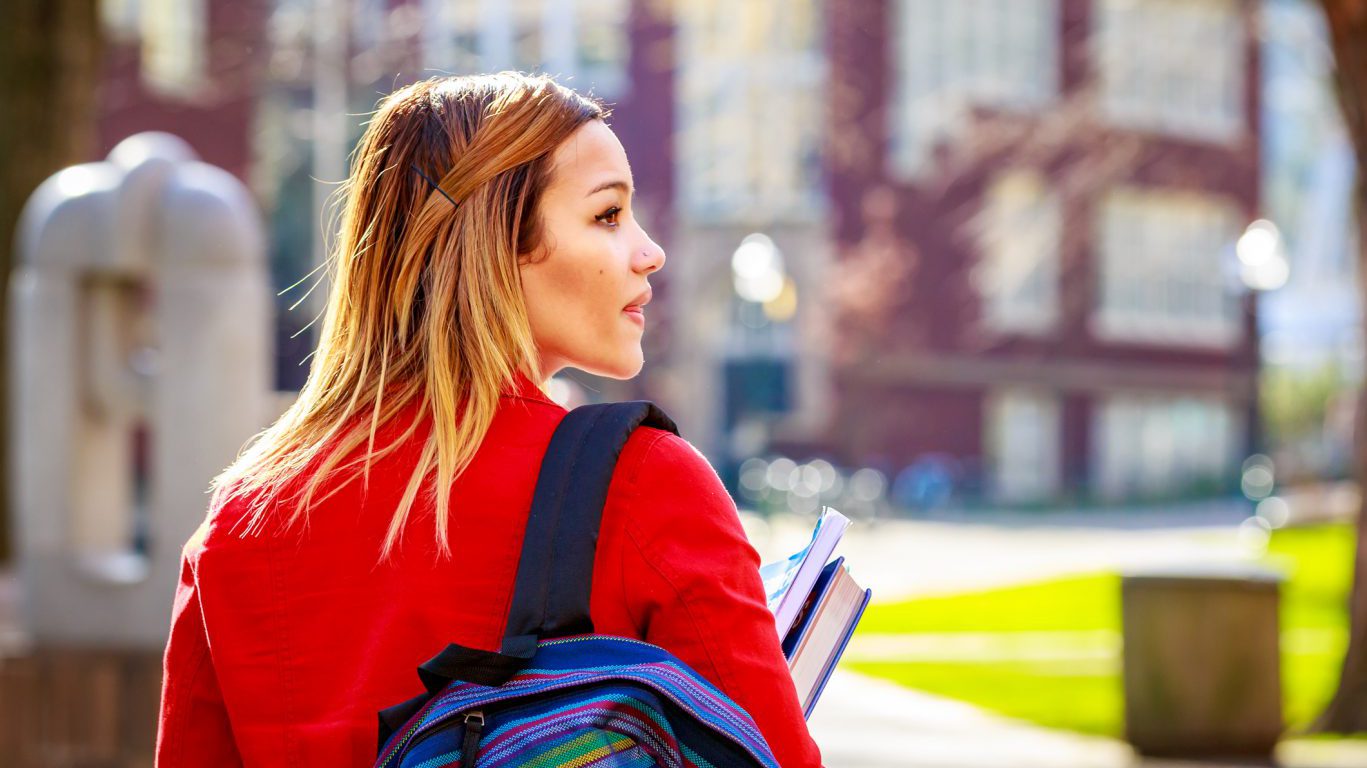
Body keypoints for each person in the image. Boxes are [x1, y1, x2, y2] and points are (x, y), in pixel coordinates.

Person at [155, 72, 824, 767]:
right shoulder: (644, 484)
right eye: (607, 215)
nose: (648, 251)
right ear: (499, 243)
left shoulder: (241, 520)